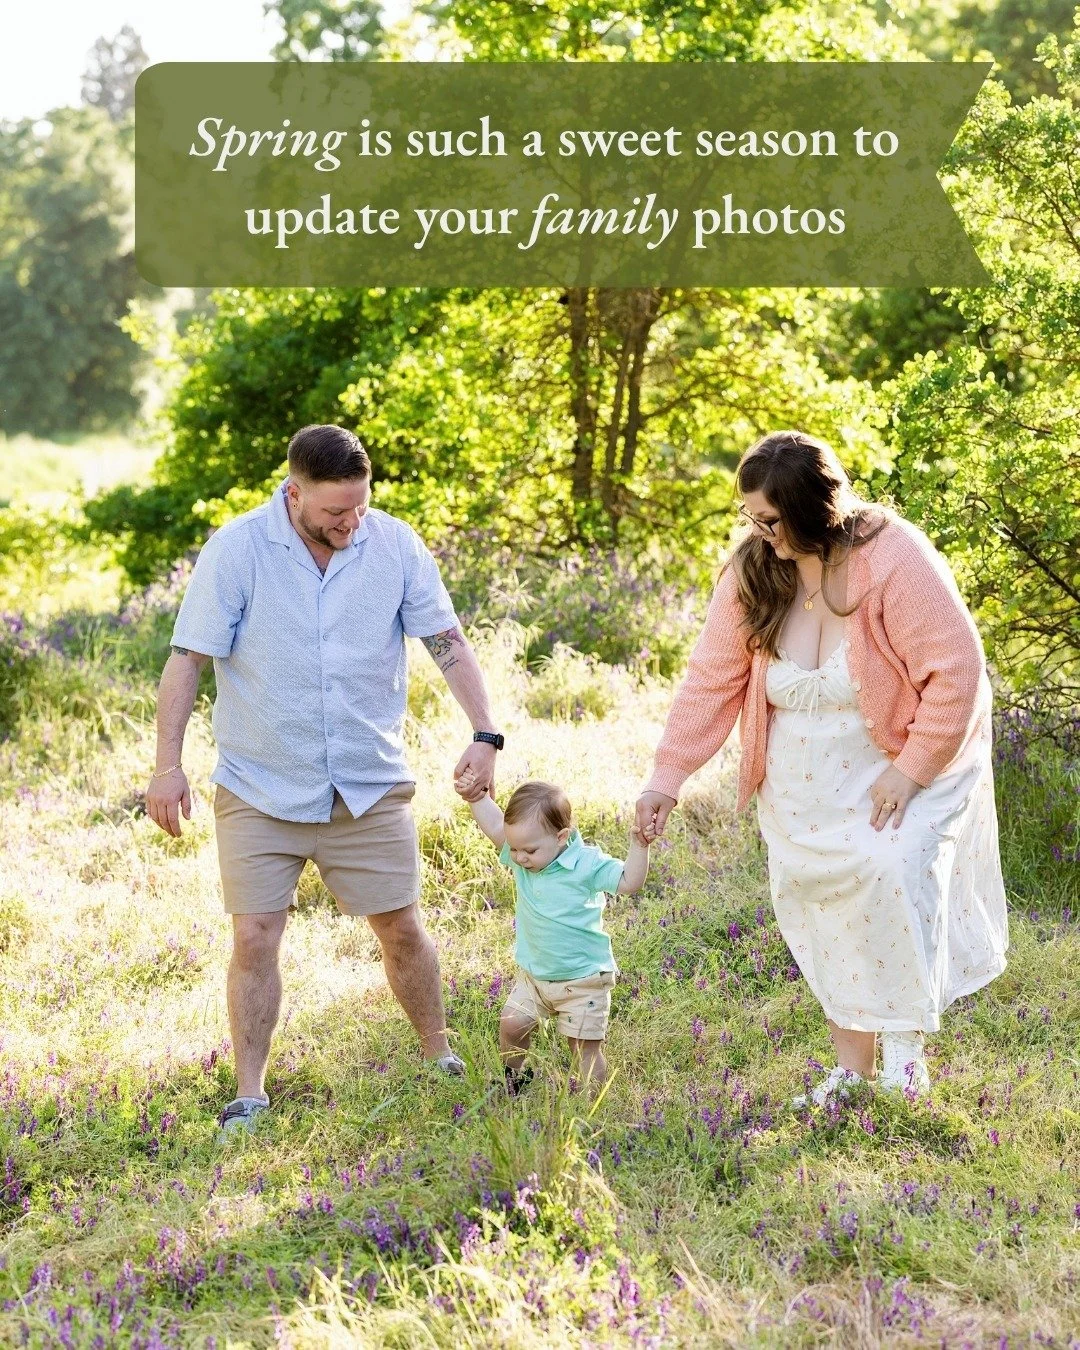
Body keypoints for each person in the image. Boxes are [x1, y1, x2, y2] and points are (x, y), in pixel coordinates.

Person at [145, 424, 503, 1135]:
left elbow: (447, 641)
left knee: (401, 926)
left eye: (360, 508)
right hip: (260, 784)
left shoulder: (394, 544)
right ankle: (250, 1094)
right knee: (255, 936)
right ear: (294, 493)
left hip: (366, 783)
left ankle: (439, 1056)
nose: (351, 522)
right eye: (336, 512)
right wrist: (166, 765)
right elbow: (188, 659)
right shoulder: (239, 549)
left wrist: (486, 734)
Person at [634, 431, 1008, 1105]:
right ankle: (851, 1071)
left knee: (890, 879)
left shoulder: (892, 558)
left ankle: (904, 1066)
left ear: (813, 508)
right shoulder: (755, 571)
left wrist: (913, 769)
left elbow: (957, 671)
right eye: (750, 516)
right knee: (821, 911)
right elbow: (708, 683)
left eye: (771, 519)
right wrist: (668, 777)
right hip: (801, 786)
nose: (758, 531)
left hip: (898, 766)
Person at [457, 775, 650, 1094]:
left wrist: (639, 847)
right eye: (515, 848)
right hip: (534, 976)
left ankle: (594, 1102)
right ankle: (512, 1082)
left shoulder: (586, 864)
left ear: (562, 837)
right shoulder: (525, 860)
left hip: (583, 979)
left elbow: (630, 881)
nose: (518, 858)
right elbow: (494, 828)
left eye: (528, 850)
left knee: (582, 1047)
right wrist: (476, 798)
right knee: (511, 1024)